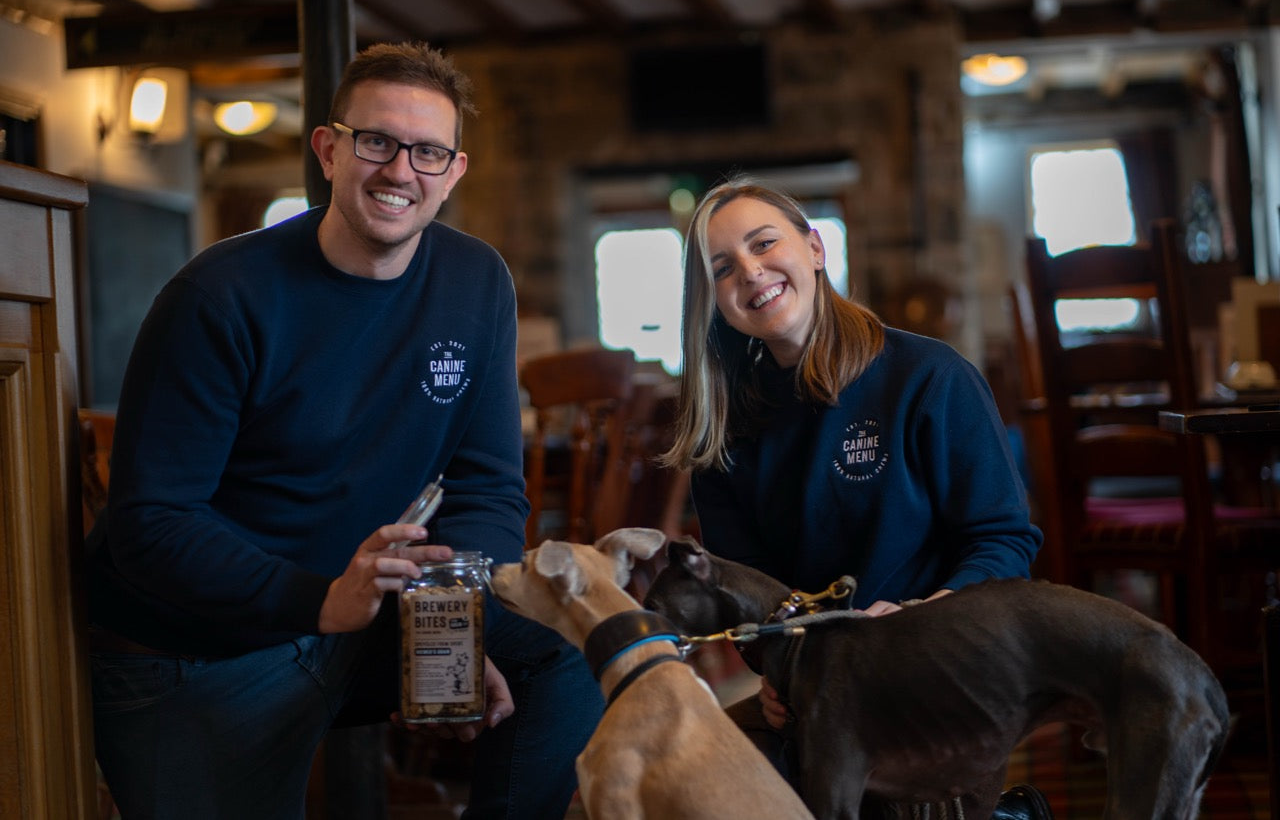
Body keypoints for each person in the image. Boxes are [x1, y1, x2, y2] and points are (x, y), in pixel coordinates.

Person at [85, 41, 601, 819]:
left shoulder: (476, 281)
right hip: (196, 653)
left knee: (566, 654)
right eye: (376, 142)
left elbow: (485, 486)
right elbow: (151, 526)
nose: (401, 171)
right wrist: (318, 600)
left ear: (453, 172)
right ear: (328, 151)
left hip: (355, 623)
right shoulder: (218, 296)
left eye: (428, 152)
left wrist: (453, 629)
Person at [661, 177, 1047, 817]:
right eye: (722, 268)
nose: (750, 272)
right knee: (679, 785)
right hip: (813, 689)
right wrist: (779, 667)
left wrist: (921, 624)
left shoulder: (929, 376)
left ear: (814, 248)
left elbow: (1003, 542)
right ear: (714, 303)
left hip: (936, 672)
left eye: (764, 244)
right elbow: (740, 589)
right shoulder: (725, 429)